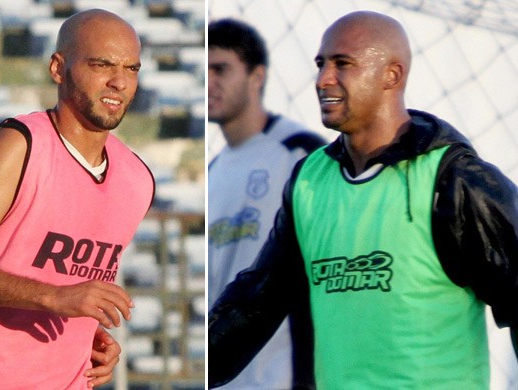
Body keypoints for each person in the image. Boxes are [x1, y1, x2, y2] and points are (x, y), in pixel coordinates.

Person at [208, 10, 518, 389]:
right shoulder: (310, 180)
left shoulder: (454, 180)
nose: (324, 79)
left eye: (343, 64)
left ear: (392, 75)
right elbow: (253, 305)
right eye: (321, 64)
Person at [0, 9, 154, 389]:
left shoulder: (137, 179)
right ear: (58, 68)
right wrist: (55, 298)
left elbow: (71, 279)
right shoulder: (19, 144)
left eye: (131, 69)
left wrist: (85, 336)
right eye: (101, 65)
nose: (118, 82)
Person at [207, 18, 325, 389]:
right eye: (203, 70)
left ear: (257, 76)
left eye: (221, 69)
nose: (209, 82)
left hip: (285, 376)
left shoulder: (302, 155)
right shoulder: (214, 169)